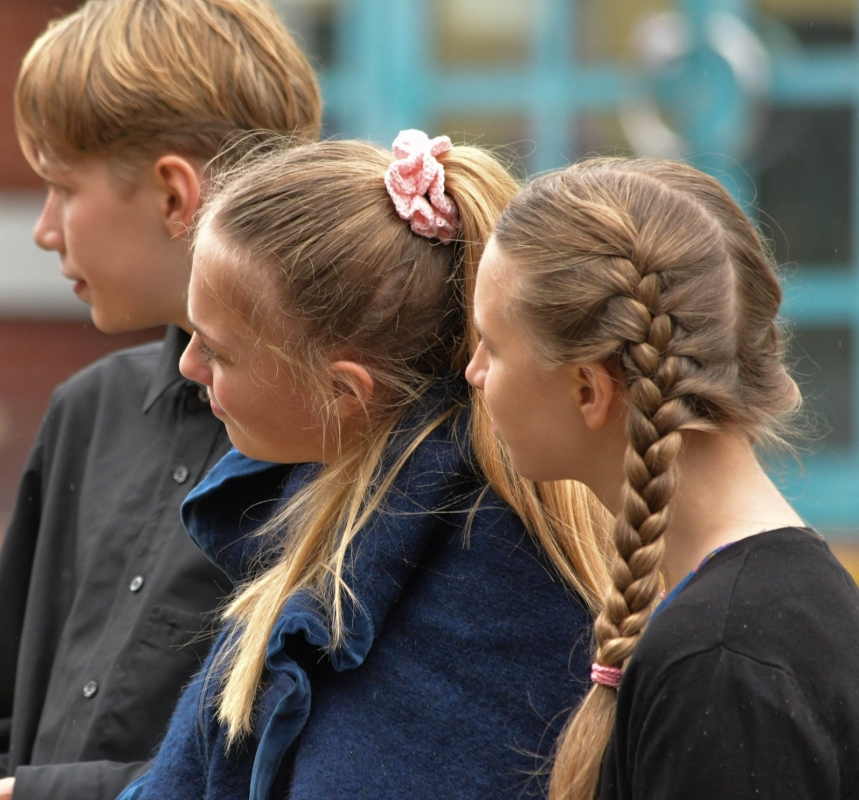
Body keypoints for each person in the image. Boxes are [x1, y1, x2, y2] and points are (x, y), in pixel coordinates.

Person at [119, 133, 613, 800]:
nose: (188, 366)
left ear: (342, 392)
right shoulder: (381, 510)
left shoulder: (472, 602)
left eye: (218, 352)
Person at [0, 2, 321, 799]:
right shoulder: (87, 411)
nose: (45, 229)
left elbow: (306, 762)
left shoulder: (337, 435)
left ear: (173, 195)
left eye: (62, 187)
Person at [465, 157, 859, 800]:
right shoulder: (780, 606)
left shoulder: (719, 664)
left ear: (588, 389)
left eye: (492, 345)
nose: (474, 372)